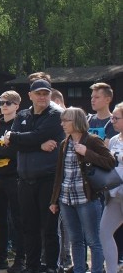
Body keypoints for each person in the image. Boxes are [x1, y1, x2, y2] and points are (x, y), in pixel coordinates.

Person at [2, 75, 65, 273]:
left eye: (46, 94)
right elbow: (14, 144)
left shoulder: (56, 115)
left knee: (48, 227)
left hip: (47, 179)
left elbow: (26, 137)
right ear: (30, 95)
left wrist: (21, 139)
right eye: (38, 94)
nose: (42, 97)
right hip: (25, 180)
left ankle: (51, 266)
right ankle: (32, 266)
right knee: (29, 226)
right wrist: (38, 144)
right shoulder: (22, 116)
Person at [50, 107, 114, 273]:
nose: (62, 124)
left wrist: (87, 152)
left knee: (93, 241)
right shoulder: (65, 143)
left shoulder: (92, 140)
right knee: (75, 240)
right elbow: (60, 173)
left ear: (77, 121)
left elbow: (110, 162)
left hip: (87, 199)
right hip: (66, 199)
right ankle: (79, 270)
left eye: (66, 120)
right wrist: (54, 200)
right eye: (62, 120)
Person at [0, 90, 24, 272]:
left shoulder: (20, 125)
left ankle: (20, 258)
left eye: (8, 103)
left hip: (14, 177)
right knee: (0, 218)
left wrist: (1, 151)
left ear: (17, 105)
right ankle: (1, 256)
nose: (4, 106)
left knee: (17, 218)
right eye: (2, 103)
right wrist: (2, 150)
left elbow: (15, 151)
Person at [100, 101, 123, 273]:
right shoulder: (114, 139)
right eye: (112, 117)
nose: (112, 120)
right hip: (114, 193)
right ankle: (112, 271)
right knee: (104, 232)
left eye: (116, 118)